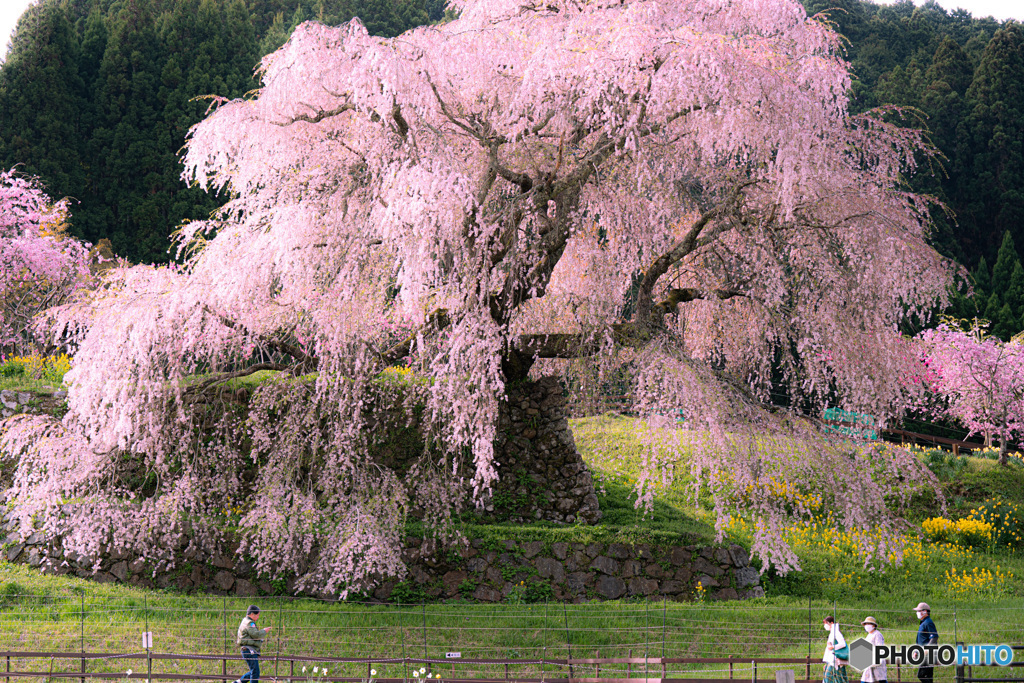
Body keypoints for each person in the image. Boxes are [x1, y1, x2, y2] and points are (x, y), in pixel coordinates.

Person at [233, 605, 271, 683]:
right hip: (249, 650)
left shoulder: (244, 620)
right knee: (255, 672)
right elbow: (256, 635)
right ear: (252, 614)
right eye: (257, 615)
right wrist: (264, 631)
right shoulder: (249, 623)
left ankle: (238, 682)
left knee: (254, 671)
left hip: (247, 649)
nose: (258, 617)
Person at [914, 603, 938, 683]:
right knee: (928, 676)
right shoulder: (923, 623)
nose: (917, 612)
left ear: (925, 612)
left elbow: (934, 637)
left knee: (921, 675)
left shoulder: (928, 622)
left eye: (919, 611)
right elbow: (921, 640)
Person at [860, 617, 887, 683]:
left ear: (873, 625)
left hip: (876, 663)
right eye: (865, 624)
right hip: (869, 662)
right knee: (865, 680)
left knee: (880, 679)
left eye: (868, 624)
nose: (866, 625)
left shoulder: (877, 635)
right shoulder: (869, 635)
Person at [823, 616, 849, 683]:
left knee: (830, 678)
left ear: (831, 623)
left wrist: (833, 647)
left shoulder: (836, 632)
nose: (825, 625)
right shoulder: (832, 633)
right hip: (831, 660)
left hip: (835, 660)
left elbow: (843, 644)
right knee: (832, 678)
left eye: (826, 623)